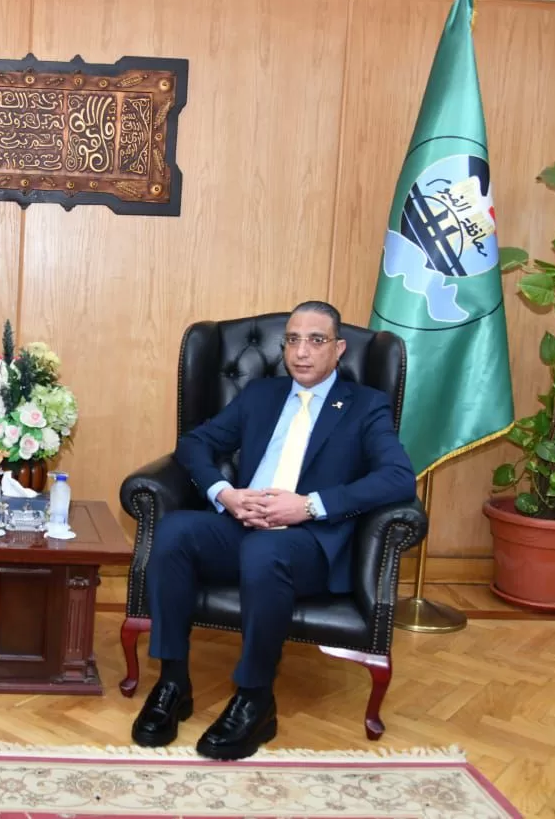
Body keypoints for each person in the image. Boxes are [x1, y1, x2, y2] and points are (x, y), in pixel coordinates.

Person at [132, 300, 417, 760]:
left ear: (338, 349)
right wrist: (225, 493)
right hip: (241, 525)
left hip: (307, 544)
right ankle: (173, 683)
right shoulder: (261, 395)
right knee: (175, 532)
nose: (302, 352)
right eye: (293, 340)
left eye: (316, 340)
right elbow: (195, 443)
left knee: (265, 553)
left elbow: (398, 478)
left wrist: (308, 506)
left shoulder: (365, 406)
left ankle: (255, 697)